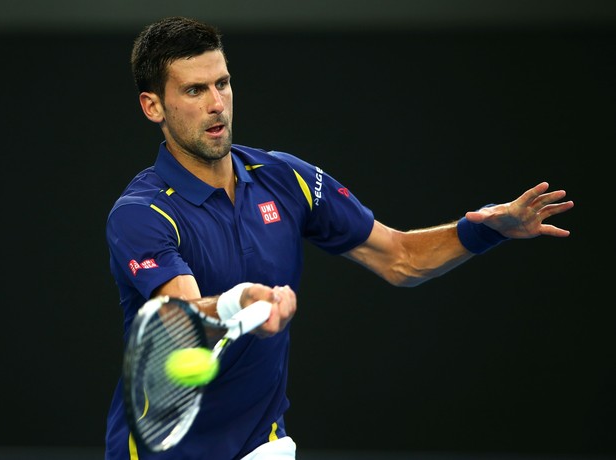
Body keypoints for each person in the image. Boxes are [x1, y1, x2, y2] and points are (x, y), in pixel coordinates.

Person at [104, 16, 574, 460]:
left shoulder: (286, 179)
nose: (216, 104)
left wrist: (484, 230)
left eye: (222, 83)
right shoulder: (141, 214)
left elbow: (399, 258)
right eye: (193, 90)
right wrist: (237, 302)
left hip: (261, 443)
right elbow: (178, 317)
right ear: (153, 106)